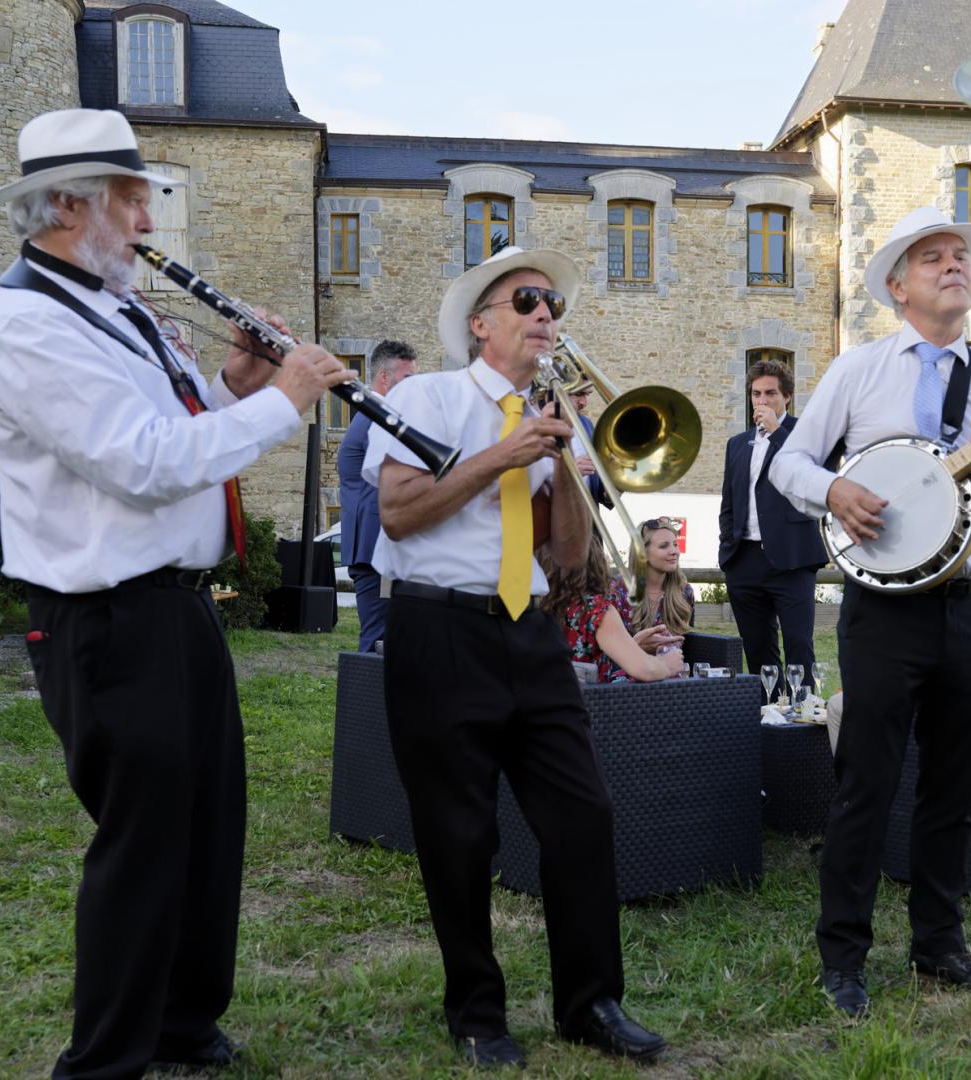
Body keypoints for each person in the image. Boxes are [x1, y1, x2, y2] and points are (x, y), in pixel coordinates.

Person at [0, 108, 350, 1080]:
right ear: (66, 207)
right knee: (141, 848)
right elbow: (141, 464)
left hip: (174, 606)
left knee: (209, 824)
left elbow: (183, 429)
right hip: (105, 619)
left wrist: (234, 383)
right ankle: (104, 1062)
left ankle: (183, 1023)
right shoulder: (23, 325)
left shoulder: (117, 307)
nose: (146, 218)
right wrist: (286, 400)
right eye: (130, 198)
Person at [362, 245, 666, 1069]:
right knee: (458, 833)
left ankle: (592, 1003)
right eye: (527, 301)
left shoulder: (544, 415)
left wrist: (563, 459)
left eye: (552, 306)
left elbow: (568, 558)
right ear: (480, 323)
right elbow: (398, 513)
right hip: (438, 629)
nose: (546, 315)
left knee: (583, 813)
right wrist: (506, 452)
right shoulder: (429, 395)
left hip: (528, 627)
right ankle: (475, 1013)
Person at [768, 206, 971, 1019]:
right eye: (934, 257)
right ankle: (842, 957)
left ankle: (940, 947)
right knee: (865, 785)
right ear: (898, 287)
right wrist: (834, 489)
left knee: (955, 786)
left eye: (961, 256)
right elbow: (790, 464)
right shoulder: (860, 369)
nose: (955, 265)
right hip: (883, 612)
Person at [718, 357, 829, 696]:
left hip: (792, 559)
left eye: (770, 394)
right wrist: (728, 552)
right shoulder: (737, 444)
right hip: (745, 560)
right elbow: (729, 504)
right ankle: (768, 717)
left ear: (787, 397)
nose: (761, 402)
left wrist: (778, 433)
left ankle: (803, 716)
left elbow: (813, 475)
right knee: (758, 651)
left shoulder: (803, 436)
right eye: (755, 394)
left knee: (799, 646)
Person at [337, 339, 417, 652]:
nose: (413, 389)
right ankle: (367, 701)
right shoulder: (375, 417)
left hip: (375, 543)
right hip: (373, 546)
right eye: (406, 380)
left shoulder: (374, 414)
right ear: (384, 378)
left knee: (387, 639)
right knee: (377, 640)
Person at [541, 537, 686, 683]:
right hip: (594, 701)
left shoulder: (538, 607)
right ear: (595, 561)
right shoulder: (593, 610)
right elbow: (646, 670)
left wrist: (632, 645)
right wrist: (667, 664)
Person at [628, 517, 694, 638]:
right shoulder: (618, 592)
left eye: (675, 544)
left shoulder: (684, 591)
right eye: (664, 546)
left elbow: (688, 643)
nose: (674, 551)